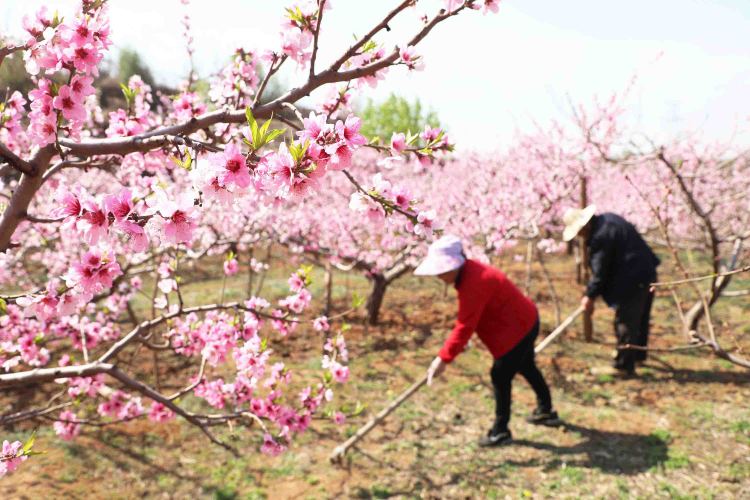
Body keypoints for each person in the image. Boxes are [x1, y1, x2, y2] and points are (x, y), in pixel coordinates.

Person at [414, 235, 560, 447]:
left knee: (500, 375)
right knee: (526, 366)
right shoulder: (470, 273)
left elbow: (465, 325)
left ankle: (501, 430)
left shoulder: (474, 281)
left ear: (455, 265)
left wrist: (443, 359)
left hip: (518, 328)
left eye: (442, 270)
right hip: (525, 320)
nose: (439, 275)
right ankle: (546, 410)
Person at [562, 205, 660, 376]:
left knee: (625, 322)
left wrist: (589, 295)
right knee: (640, 318)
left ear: (584, 226)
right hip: (647, 273)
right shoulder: (609, 219)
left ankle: (624, 366)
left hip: (632, 279)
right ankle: (637, 355)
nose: (580, 237)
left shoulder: (600, 236)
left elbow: (601, 272)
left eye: (579, 232)